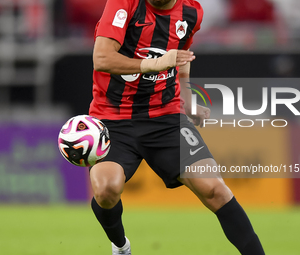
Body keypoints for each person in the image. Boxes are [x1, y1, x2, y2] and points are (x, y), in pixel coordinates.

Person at [89, 0, 265, 254]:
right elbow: (102, 58)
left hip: (166, 117)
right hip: (113, 118)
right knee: (106, 189)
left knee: (214, 189)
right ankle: (121, 246)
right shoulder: (124, 3)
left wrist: (188, 100)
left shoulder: (192, 12)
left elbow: (180, 56)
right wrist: (154, 64)